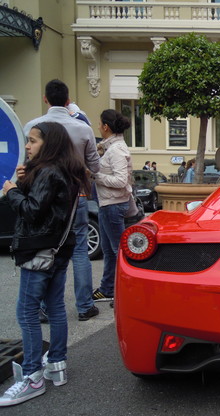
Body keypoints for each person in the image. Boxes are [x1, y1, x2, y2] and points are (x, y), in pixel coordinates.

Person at [0, 122, 91, 406]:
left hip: (38, 252)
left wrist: (12, 191)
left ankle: (31, 377)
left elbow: (32, 211)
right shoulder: (67, 172)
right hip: (58, 252)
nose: (27, 146)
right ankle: (57, 365)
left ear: (48, 144)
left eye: (33, 141)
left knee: (27, 313)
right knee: (55, 308)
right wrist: (25, 181)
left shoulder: (49, 172)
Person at [22, 79, 100, 322]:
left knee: (46, 249)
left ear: (45, 99)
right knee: (79, 251)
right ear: (68, 101)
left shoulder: (33, 126)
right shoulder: (83, 129)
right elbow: (94, 165)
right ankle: (85, 306)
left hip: (43, 197)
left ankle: (44, 306)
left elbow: (27, 163)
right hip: (76, 195)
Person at [91, 110, 133, 303]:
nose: (98, 127)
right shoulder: (112, 147)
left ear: (106, 127)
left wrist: (96, 176)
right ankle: (108, 288)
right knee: (110, 250)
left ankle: (124, 291)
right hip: (109, 203)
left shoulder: (116, 150)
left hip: (113, 204)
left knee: (118, 251)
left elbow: (121, 180)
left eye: (99, 124)